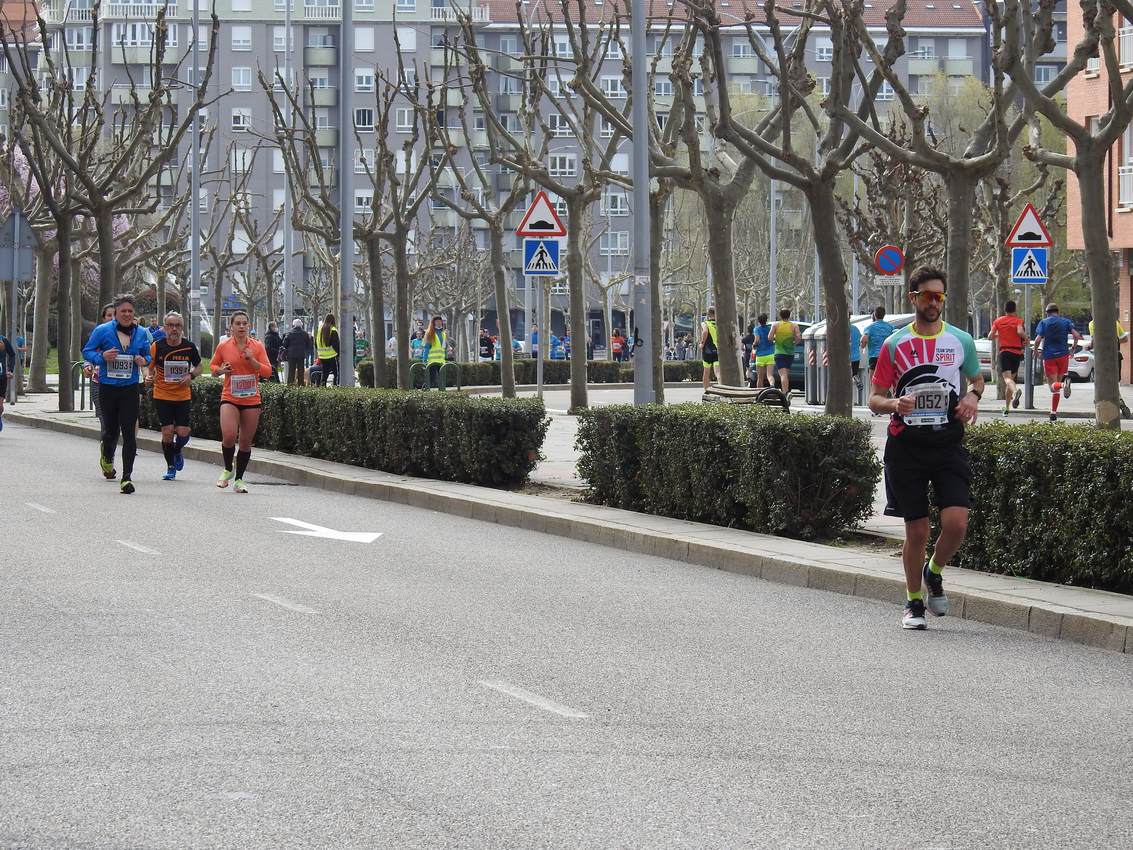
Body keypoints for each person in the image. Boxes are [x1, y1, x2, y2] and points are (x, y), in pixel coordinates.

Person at [868, 266, 984, 631]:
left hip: (947, 442)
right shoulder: (895, 344)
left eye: (940, 296)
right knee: (917, 531)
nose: (934, 303)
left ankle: (933, 572)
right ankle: (914, 602)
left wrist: (972, 397)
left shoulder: (960, 341)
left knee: (956, 523)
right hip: (907, 447)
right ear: (913, 298)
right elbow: (874, 398)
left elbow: (978, 379)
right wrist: (894, 405)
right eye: (928, 296)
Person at [81, 294, 152, 494]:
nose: (127, 314)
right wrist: (101, 357)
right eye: (123, 311)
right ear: (116, 313)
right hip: (108, 387)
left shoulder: (141, 333)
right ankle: (106, 456)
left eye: (130, 311)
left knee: (129, 432)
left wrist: (143, 360)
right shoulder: (102, 331)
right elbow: (87, 351)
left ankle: (126, 478)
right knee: (111, 431)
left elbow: (148, 355)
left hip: (130, 387)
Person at [210, 310, 272, 493]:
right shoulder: (223, 346)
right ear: (231, 327)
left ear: (249, 326)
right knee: (229, 435)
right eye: (238, 323)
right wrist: (221, 370)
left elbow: (268, 371)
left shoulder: (257, 346)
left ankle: (239, 479)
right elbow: (213, 368)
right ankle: (228, 468)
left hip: (251, 398)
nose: (242, 326)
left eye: (245, 323)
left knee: (245, 442)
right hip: (230, 396)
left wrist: (252, 360)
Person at [145, 312, 202, 480]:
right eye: (171, 325)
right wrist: (148, 377)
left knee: (183, 433)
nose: (174, 329)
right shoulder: (157, 346)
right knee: (168, 431)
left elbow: (199, 367)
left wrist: (191, 376)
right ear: (165, 328)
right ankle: (170, 467)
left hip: (182, 396)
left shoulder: (189, 347)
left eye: (178, 325)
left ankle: (177, 450)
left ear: (182, 328)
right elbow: (150, 366)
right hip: (162, 394)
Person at [1032, 303, 1080, 423]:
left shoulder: (1044, 322)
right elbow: (1076, 335)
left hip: (1049, 356)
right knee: (1056, 385)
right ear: (1058, 311)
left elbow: (1038, 339)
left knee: (1053, 386)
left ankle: (1064, 385)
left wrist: (1035, 351)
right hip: (1063, 355)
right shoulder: (1066, 322)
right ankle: (1053, 413)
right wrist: (1073, 349)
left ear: (1047, 313)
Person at [988, 300, 1028, 416]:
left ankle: (1016, 393)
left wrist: (999, 334)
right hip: (1016, 353)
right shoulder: (1018, 320)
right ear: (1014, 310)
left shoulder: (998, 321)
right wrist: (1026, 338)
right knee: (1011, 381)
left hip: (1005, 352)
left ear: (1005, 310)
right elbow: (1020, 331)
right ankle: (1006, 408)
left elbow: (990, 336)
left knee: (1007, 380)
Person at [1086, 316, 1131, 417]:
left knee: (1100, 380)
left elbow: (1094, 341)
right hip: (1116, 355)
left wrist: (1089, 346)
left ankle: (1101, 401)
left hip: (1102, 357)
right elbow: (1125, 339)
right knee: (1114, 381)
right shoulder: (1114, 322)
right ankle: (1118, 400)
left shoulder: (1092, 323)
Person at [769, 308, 800, 395]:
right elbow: (798, 337)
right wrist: (794, 343)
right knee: (786, 373)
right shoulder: (794, 326)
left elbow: (770, 337)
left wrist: (775, 340)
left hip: (779, 353)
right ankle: (786, 391)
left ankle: (784, 393)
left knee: (783, 374)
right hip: (790, 353)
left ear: (780, 315)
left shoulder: (776, 325)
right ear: (789, 315)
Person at [421, 315, 448, 390]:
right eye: (437, 321)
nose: (439, 323)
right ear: (433, 323)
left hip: (441, 361)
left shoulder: (443, 333)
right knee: (431, 380)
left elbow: (444, 347)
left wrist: (446, 356)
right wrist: (424, 360)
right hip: (432, 361)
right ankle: (424, 392)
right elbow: (426, 348)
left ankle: (442, 394)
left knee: (442, 380)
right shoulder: (430, 333)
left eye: (440, 321)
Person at [282, 318, 311, 386]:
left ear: (293, 325)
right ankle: (301, 385)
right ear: (301, 325)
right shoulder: (305, 333)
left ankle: (290, 385)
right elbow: (309, 345)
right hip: (301, 355)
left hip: (291, 355)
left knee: (291, 371)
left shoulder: (289, 333)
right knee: (301, 371)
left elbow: (284, 344)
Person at [315, 313, 340, 387]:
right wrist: (338, 354)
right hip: (332, 355)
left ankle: (323, 385)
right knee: (336, 372)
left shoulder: (320, 329)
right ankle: (335, 385)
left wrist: (320, 351)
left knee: (325, 372)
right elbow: (336, 345)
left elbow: (316, 343)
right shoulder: (333, 330)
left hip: (322, 355)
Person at [751, 314, 774, 388]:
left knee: (760, 378)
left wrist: (754, 345)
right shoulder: (770, 328)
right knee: (769, 375)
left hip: (760, 355)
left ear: (758, 321)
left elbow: (757, 340)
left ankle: (759, 393)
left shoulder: (756, 329)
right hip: (770, 354)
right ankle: (772, 386)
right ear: (766, 320)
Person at [700, 308, 719, 390]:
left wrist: (702, 343)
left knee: (706, 371)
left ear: (708, 314)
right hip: (718, 350)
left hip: (707, 350)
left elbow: (705, 332)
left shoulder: (705, 323)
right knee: (718, 372)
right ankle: (722, 389)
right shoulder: (719, 324)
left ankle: (706, 390)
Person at [0, 332, 15, 431]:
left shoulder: (3, 340)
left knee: (0, 405)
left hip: (2, 377)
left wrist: (10, 370)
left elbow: (12, 354)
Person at [849, 320, 863, 390]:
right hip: (856, 357)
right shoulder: (855, 328)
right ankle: (856, 379)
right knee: (855, 373)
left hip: (845, 358)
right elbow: (860, 340)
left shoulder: (840, 329)